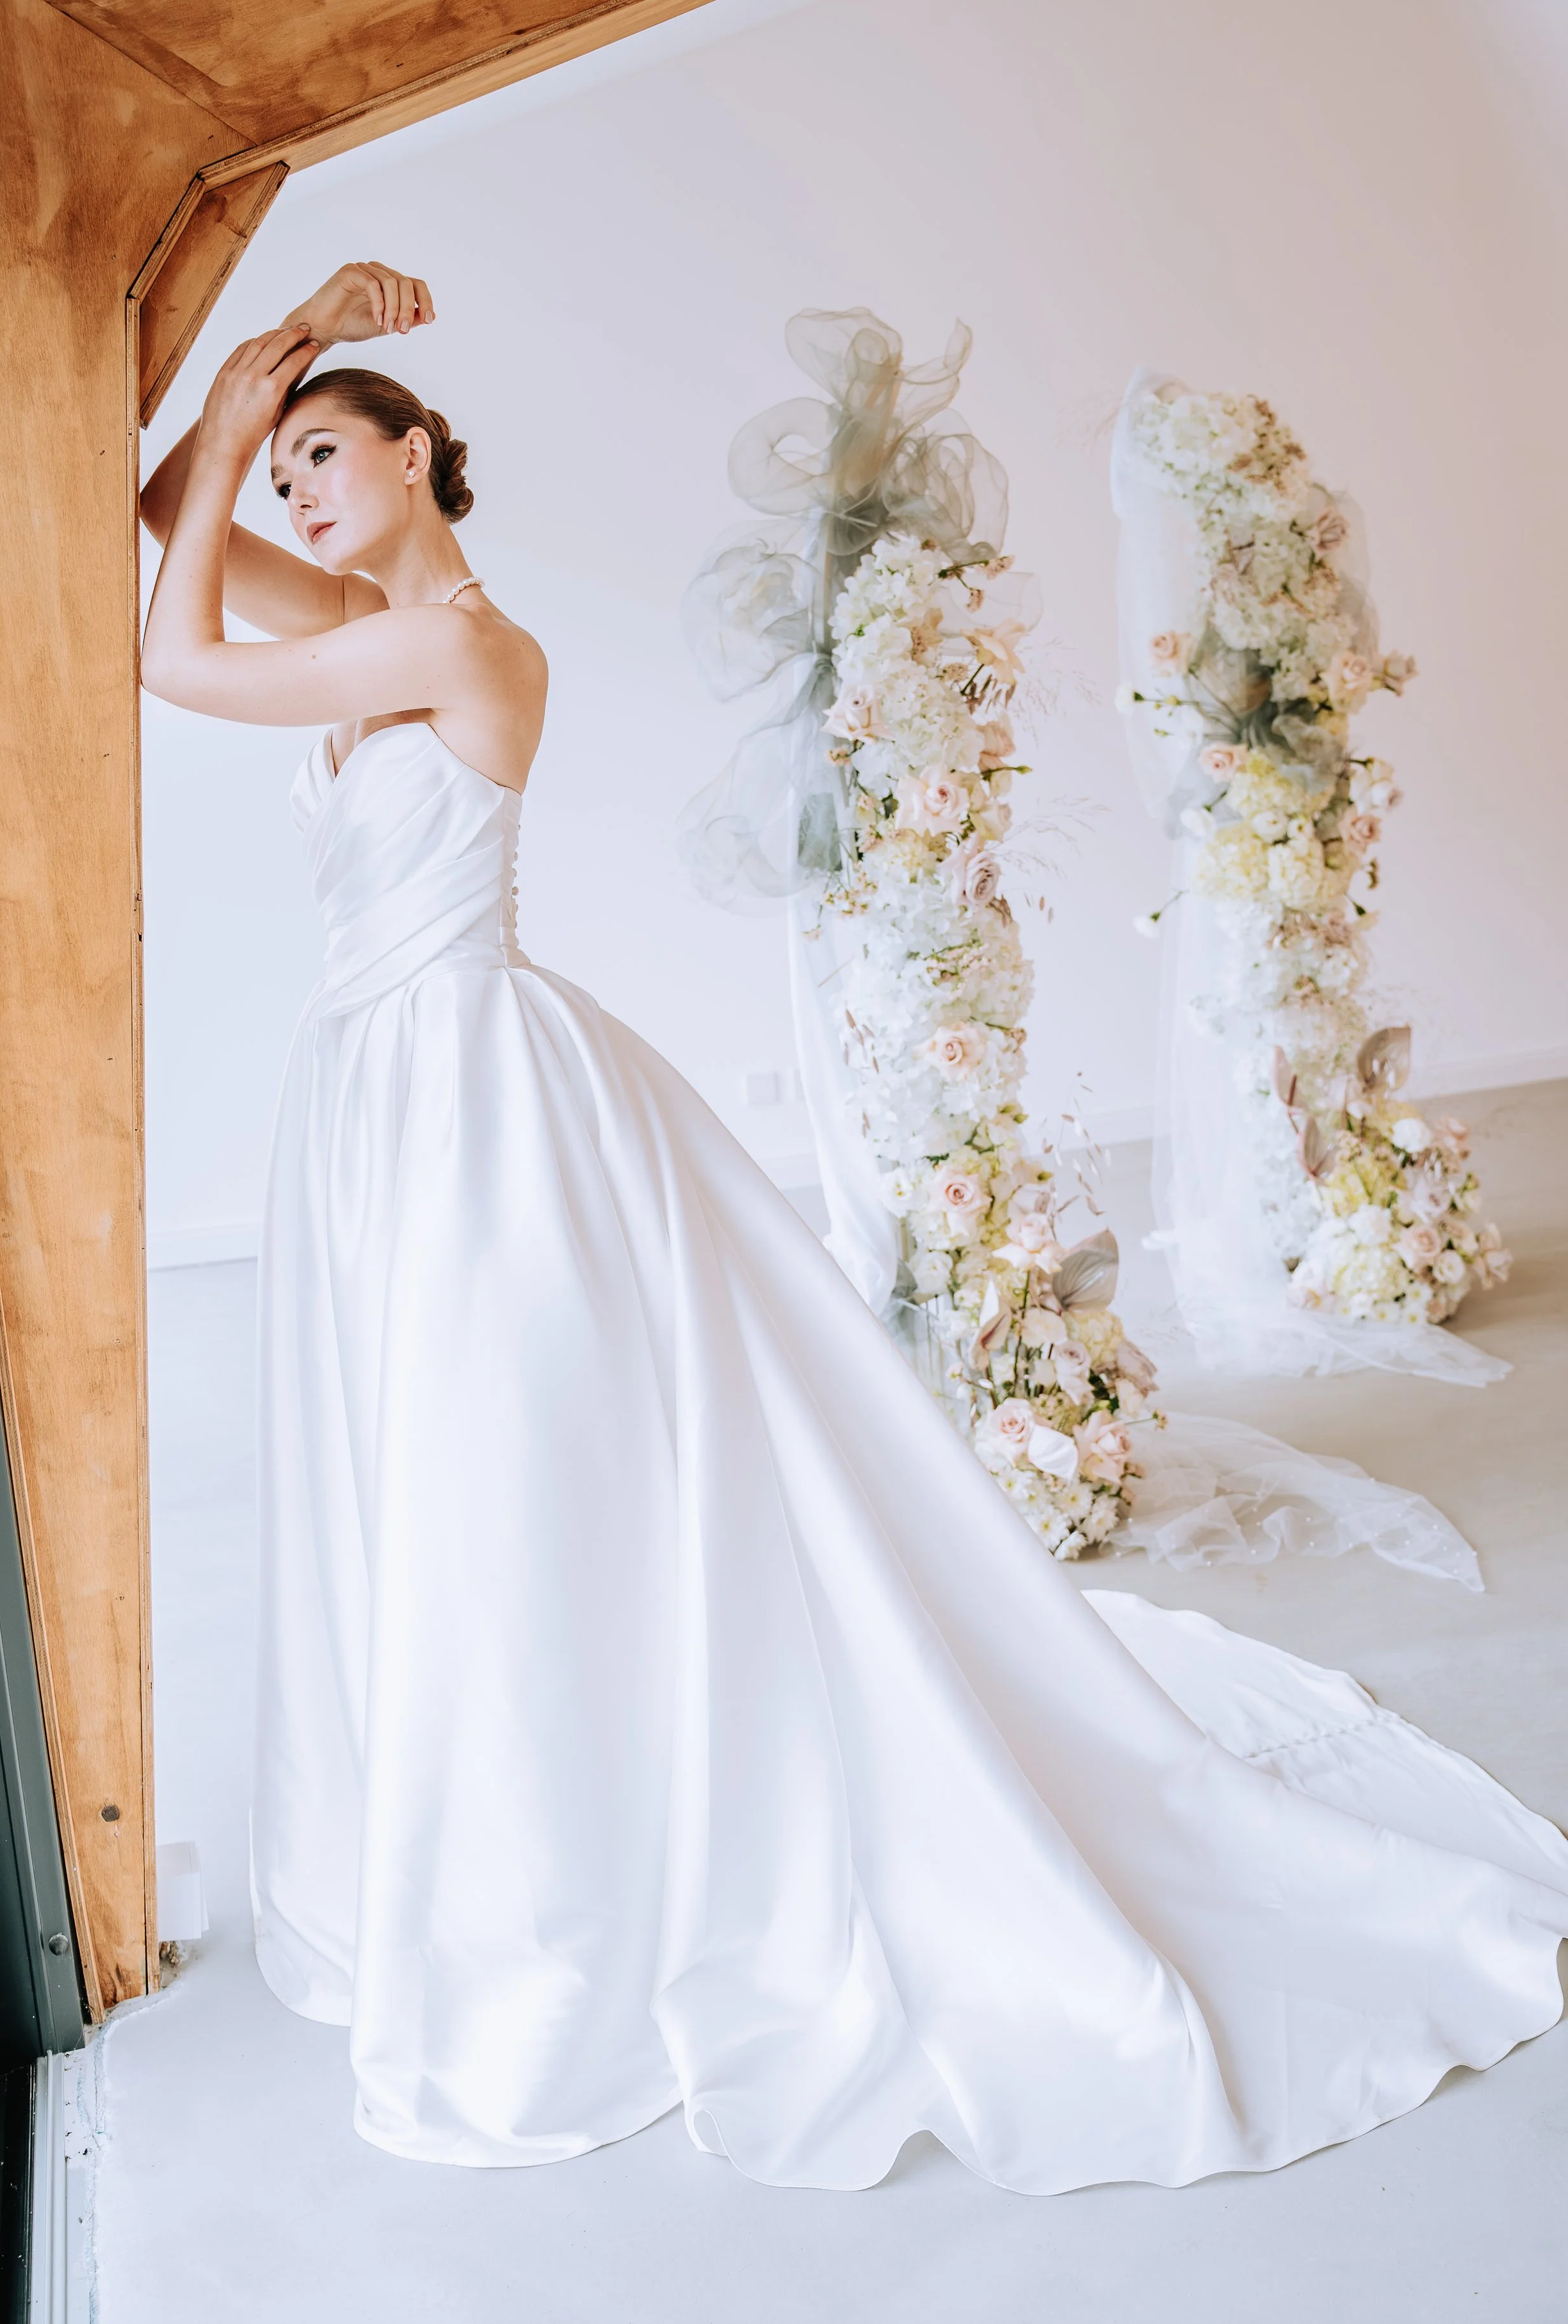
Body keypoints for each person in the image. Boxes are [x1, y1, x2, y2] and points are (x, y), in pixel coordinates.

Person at [140, 263, 1568, 2191]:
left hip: (479, 1098)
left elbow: (172, 662)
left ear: (421, 460)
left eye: (330, 452)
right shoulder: (364, 624)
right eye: (291, 463)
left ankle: (572, 1862)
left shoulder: (471, 648)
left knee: (500, 1462)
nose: (296, 489)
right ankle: (472, 1839)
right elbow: (166, 536)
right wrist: (249, 382)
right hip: (375, 1097)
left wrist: (243, 405)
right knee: (411, 1459)